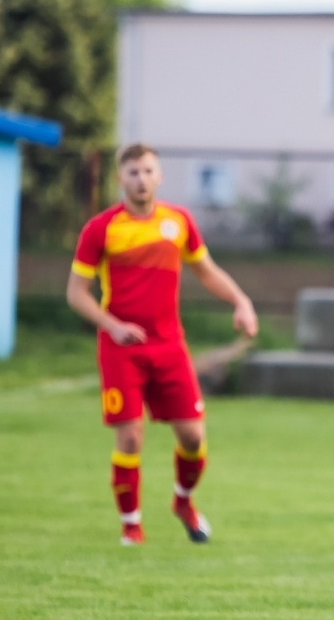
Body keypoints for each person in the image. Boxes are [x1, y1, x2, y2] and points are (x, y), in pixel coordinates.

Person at [66, 143, 258, 546]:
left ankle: (183, 503)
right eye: (133, 172)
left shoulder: (178, 221)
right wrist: (112, 325)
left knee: (193, 438)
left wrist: (240, 301)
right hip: (121, 348)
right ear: (120, 178)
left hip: (169, 346)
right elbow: (76, 293)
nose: (141, 179)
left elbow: (206, 271)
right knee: (131, 437)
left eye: (148, 171)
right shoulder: (101, 229)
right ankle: (131, 527)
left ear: (160, 176)